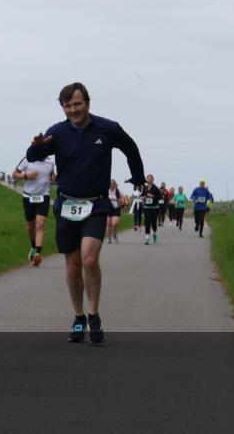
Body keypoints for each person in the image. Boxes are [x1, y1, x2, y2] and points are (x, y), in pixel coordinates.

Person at [26, 82, 145, 345]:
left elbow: (130, 148)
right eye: (67, 105)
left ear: (88, 103)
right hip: (67, 204)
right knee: (72, 266)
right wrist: (35, 146)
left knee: (89, 260)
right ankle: (78, 316)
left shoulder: (108, 128)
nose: (73, 110)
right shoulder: (57, 132)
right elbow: (35, 155)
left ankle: (94, 314)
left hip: (96, 205)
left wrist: (138, 177)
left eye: (77, 104)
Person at [13, 154, 56, 266]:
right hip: (28, 197)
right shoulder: (27, 159)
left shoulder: (50, 162)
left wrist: (54, 177)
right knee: (31, 226)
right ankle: (33, 247)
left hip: (44, 196)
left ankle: (37, 253)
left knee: (40, 224)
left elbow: (52, 176)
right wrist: (26, 176)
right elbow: (14, 175)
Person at [141, 175, 162, 245]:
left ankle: (154, 234)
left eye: (150, 179)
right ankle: (147, 238)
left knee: (153, 223)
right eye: (148, 179)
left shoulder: (156, 188)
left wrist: (153, 196)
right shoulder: (145, 187)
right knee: (147, 222)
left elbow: (160, 198)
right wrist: (143, 198)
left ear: (153, 180)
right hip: (146, 207)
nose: (149, 180)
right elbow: (142, 195)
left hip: (154, 208)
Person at [105, 179, 122, 244]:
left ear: (115, 184)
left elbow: (123, 200)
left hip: (116, 209)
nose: (112, 185)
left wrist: (119, 203)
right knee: (108, 224)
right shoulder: (106, 191)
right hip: (108, 209)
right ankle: (109, 238)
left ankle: (114, 235)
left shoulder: (118, 191)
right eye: (110, 184)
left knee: (114, 223)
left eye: (113, 183)